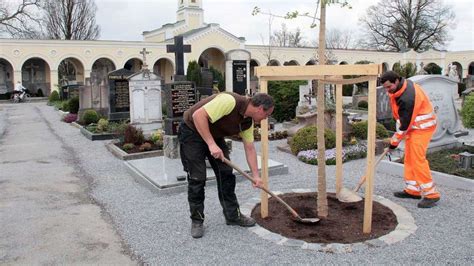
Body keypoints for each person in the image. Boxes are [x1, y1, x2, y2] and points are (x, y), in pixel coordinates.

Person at [178, 92, 274, 238]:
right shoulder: (230, 101)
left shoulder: (247, 122)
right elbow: (198, 116)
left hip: (214, 134)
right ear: (260, 109)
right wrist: (211, 144)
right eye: (267, 115)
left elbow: (249, 148)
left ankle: (232, 216)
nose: (266, 118)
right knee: (197, 178)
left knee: (226, 174)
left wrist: (256, 176)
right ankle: (197, 220)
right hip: (192, 131)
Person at [380, 71, 440, 208]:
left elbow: (404, 125)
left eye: (389, 87)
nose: (387, 90)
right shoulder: (401, 87)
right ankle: (413, 190)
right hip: (414, 127)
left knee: (418, 159)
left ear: (396, 81)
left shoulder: (408, 97)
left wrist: (393, 143)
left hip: (422, 128)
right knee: (409, 158)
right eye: (385, 88)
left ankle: (432, 194)